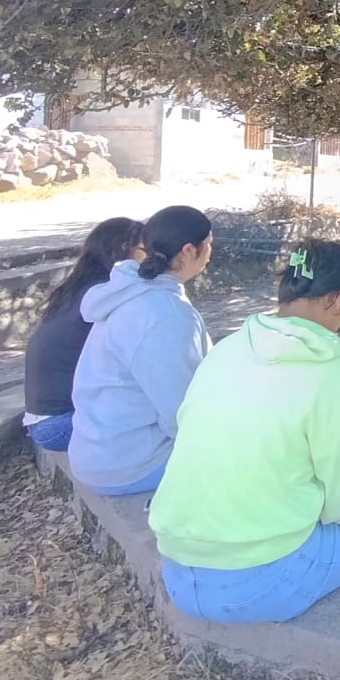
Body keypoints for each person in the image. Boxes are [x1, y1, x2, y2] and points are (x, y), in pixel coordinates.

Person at [149, 240, 340, 624]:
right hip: (258, 583)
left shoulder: (228, 348)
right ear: (339, 297)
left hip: (179, 571)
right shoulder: (334, 372)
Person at [67, 205, 214, 495]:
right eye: (208, 245)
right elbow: (182, 413)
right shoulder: (164, 314)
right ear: (188, 251)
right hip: (131, 464)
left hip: (98, 451)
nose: (210, 253)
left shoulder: (132, 291)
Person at [22, 217, 145, 452]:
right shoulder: (105, 295)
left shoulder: (80, 289)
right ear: (123, 251)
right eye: (145, 250)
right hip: (62, 422)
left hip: (47, 421)